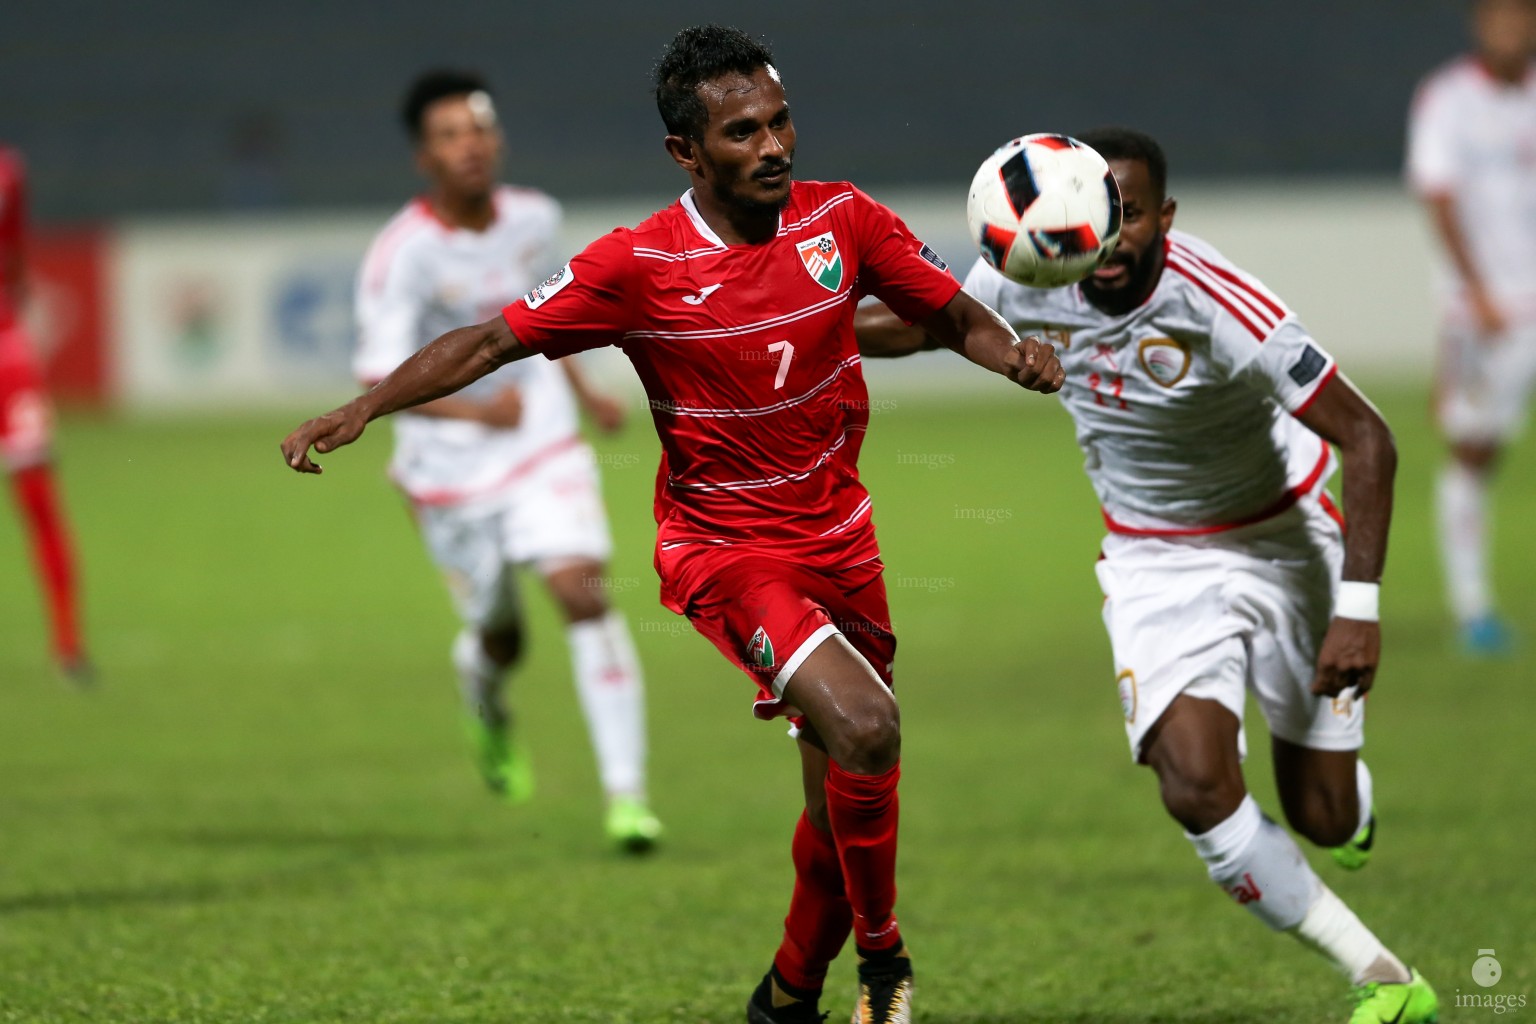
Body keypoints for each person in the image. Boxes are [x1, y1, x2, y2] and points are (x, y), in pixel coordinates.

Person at [284, 26, 1063, 1024]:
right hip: (727, 552)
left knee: (836, 804)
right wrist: (364, 408)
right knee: (868, 727)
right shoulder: (636, 264)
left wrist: (1014, 354)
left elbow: (943, 315)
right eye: (743, 132)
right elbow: (488, 340)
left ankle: (786, 995)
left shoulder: (844, 221)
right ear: (686, 153)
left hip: (843, 540)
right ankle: (885, 965)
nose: (775, 146)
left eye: (781, 121)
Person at [857, 129, 1438, 1024]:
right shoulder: (1031, 268)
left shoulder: (1219, 304)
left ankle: (1348, 804)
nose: (1113, 234)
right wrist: (781, 318)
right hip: (1153, 558)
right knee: (1195, 784)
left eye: (1133, 215)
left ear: (1166, 217)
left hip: (1283, 542)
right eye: (1101, 212)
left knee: (1320, 817)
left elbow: (1371, 438)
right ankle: (1387, 978)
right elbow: (920, 327)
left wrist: (1359, 611)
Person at [353, 71, 661, 852]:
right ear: (424, 156)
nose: (470, 146)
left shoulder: (535, 219)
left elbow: (546, 321)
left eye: (479, 130)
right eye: (451, 135)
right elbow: (377, 379)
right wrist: (478, 409)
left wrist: (587, 395)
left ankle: (627, 799)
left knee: (583, 594)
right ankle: (484, 696)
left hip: (542, 443)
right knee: (502, 637)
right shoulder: (403, 254)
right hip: (449, 471)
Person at [1407, 0, 1536, 655]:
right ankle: (1473, 607)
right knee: (1474, 448)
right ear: (1480, 25)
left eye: (1522, 18)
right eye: (1500, 19)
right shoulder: (1448, 99)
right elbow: (1439, 196)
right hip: (1487, 311)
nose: (1511, 31)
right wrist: (1476, 294)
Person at [0, 144, 90, 682]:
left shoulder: (9, 172)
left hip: (7, 352)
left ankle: (67, 644)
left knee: (38, 502)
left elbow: (14, 259)